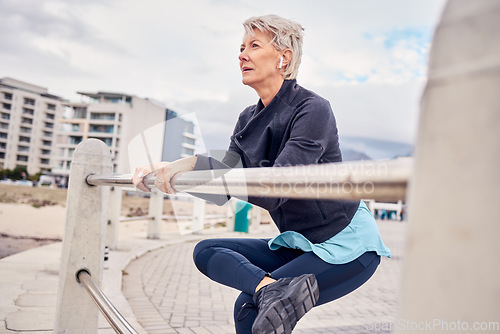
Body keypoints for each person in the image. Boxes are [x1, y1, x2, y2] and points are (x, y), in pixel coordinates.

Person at [133, 14, 391, 334]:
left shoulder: (312, 109)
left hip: (346, 248)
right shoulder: (246, 119)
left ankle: (267, 292)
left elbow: (276, 189)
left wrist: (214, 175)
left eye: (254, 46)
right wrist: (170, 169)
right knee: (207, 253)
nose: (242, 54)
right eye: (241, 47)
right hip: (298, 242)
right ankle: (267, 289)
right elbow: (225, 174)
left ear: (284, 57)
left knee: (252, 309)